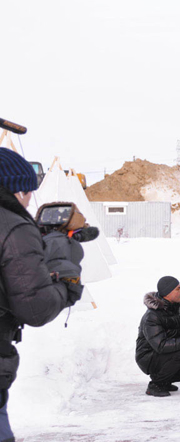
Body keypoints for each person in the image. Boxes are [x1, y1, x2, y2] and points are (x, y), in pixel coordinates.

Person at [0, 148, 85, 442]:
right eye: (28, 193)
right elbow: (35, 308)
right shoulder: (13, 226)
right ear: (18, 189)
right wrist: (66, 280)